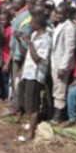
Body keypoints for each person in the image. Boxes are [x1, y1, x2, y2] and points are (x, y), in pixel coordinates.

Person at [15, 13, 51, 141]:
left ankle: (31, 133)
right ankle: (30, 124)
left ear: (38, 24)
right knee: (24, 99)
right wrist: (21, 41)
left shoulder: (46, 40)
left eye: (32, 22)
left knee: (32, 104)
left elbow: (38, 60)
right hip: (28, 72)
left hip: (35, 75)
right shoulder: (35, 35)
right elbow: (28, 55)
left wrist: (30, 44)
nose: (30, 24)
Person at [50, 4, 76, 124]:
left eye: (59, 13)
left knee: (60, 90)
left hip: (61, 64)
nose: (56, 15)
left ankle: (58, 116)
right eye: (56, 13)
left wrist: (63, 67)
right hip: (55, 61)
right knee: (56, 88)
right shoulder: (59, 24)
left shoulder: (69, 27)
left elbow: (69, 49)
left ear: (66, 14)